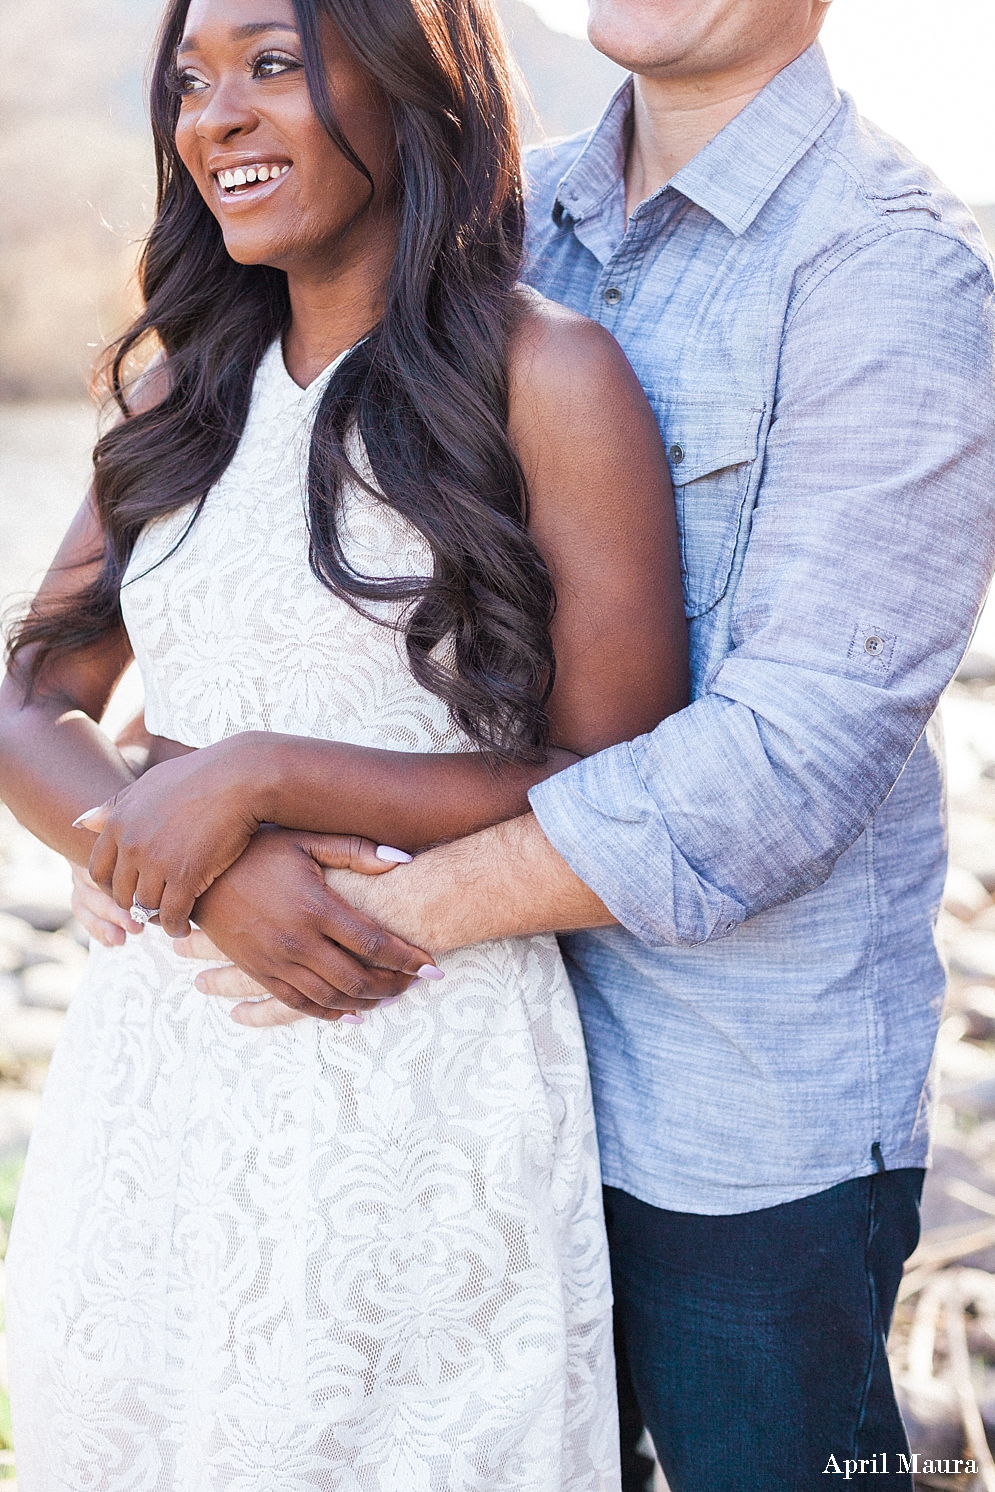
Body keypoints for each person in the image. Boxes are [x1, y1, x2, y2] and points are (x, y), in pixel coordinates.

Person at [75, 1, 995, 1489]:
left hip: (728, 1108)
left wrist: (330, 906)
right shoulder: (500, 219)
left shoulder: (889, 269)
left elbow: (798, 752)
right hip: (453, 1093)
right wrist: (163, 832)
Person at [0, 0, 690, 1485]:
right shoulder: (181, 388)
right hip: (157, 1082)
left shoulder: (548, 373)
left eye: (270, 64)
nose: (217, 117)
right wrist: (182, 858)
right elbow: (25, 690)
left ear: (410, 80)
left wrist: (257, 776)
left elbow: (621, 779)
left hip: (420, 1072)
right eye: (190, 83)